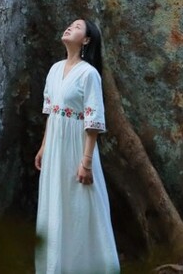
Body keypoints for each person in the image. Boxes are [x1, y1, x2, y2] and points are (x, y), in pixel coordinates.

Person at [35, 18, 120, 274]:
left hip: (78, 146)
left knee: (82, 205)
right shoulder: (54, 69)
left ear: (86, 40)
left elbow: (93, 121)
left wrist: (86, 161)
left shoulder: (89, 73)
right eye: (70, 24)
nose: (70, 27)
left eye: (78, 27)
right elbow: (51, 113)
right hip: (55, 148)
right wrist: (43, 147)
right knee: (55, 202)